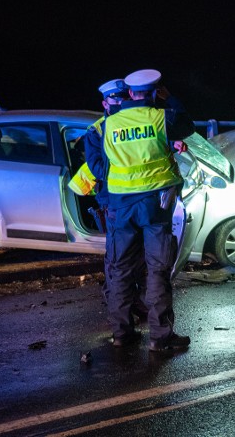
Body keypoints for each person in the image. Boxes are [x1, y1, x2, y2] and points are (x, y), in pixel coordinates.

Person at [93, 68, 196, 354]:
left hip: (120, 207)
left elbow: (102, 165)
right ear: (154, 93)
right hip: (155, 206)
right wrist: (171, 98)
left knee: (120, 270)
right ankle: (160, 337)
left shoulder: (107, 125)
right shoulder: (161, 118)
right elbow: (187, 125)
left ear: (128, 94)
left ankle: (121, 333)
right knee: (157, 270)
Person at [70, 79, 149, 333]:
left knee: (137, 260)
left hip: (134, 199)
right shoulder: (97, 131)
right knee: (117, 261)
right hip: (112, 201)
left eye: (124, 97)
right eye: (115, 99)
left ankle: (132, 305)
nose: (120, 103)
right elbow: (98, 168)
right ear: (105, 103)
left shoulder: (134, 123)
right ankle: (118, 311)